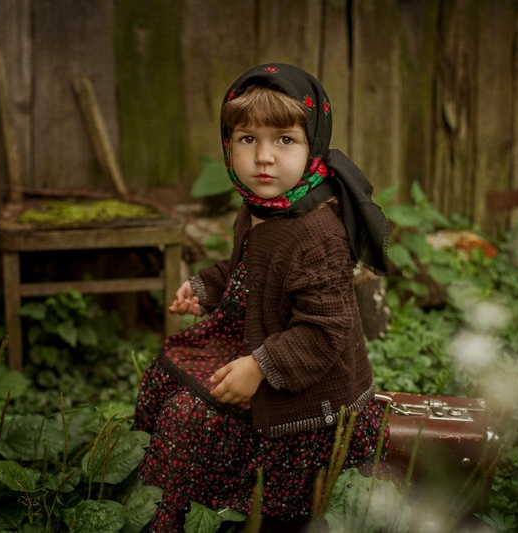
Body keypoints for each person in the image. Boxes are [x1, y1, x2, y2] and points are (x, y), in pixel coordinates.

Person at [133, 63, 390, 533]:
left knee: (189, 414)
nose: (264, 157)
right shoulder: (262, 208)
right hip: (261, 338)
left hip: (307, 390)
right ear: (227, 143)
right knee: (166, 372)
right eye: (248, 139)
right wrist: (206, 287)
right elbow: (248, 270)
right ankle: (164, 494)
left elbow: (324, 331)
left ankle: (206, 506)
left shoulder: (318, 233)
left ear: (313, 145)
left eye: (285, 140)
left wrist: (258, 368)